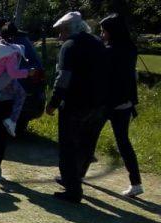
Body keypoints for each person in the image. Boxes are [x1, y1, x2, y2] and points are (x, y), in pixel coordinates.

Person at [46, 11, 109, 203]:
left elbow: (63, 78)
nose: (59, 36)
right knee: (86, 145)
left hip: (75, 103)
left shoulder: (70, 46)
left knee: (68, 147)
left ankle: (72, 190)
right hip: (98, 103)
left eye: (61, 31)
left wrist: (53, 103)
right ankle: (75, 178)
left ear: (68, 29)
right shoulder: (97, 43)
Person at [98, 13, 143, 197]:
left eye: (103, 31)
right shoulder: (130, 49)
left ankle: (76, 175)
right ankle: (136, 183)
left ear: (112, 32)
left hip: (108, 103)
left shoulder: (110, 51)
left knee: (89, 137)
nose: (102, 35)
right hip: (125, 103)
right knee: (124, 143)